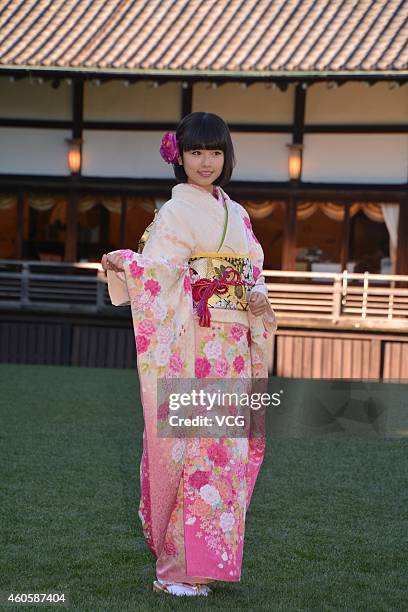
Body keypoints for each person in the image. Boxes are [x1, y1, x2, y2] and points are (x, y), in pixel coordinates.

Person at [101, 112, 277, 597]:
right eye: (196, 152)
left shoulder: (236, 213)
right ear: (177, 156)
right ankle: (175, 568)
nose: (206, 162)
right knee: (191, 450)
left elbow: (253, 272)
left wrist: (257, 297)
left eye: (215, 152)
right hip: (194, 345)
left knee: (225, 455)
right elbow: (161, 273)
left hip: (233, 352)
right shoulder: (176, 212)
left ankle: (207, 563)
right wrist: (129, 265)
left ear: (226, 156)